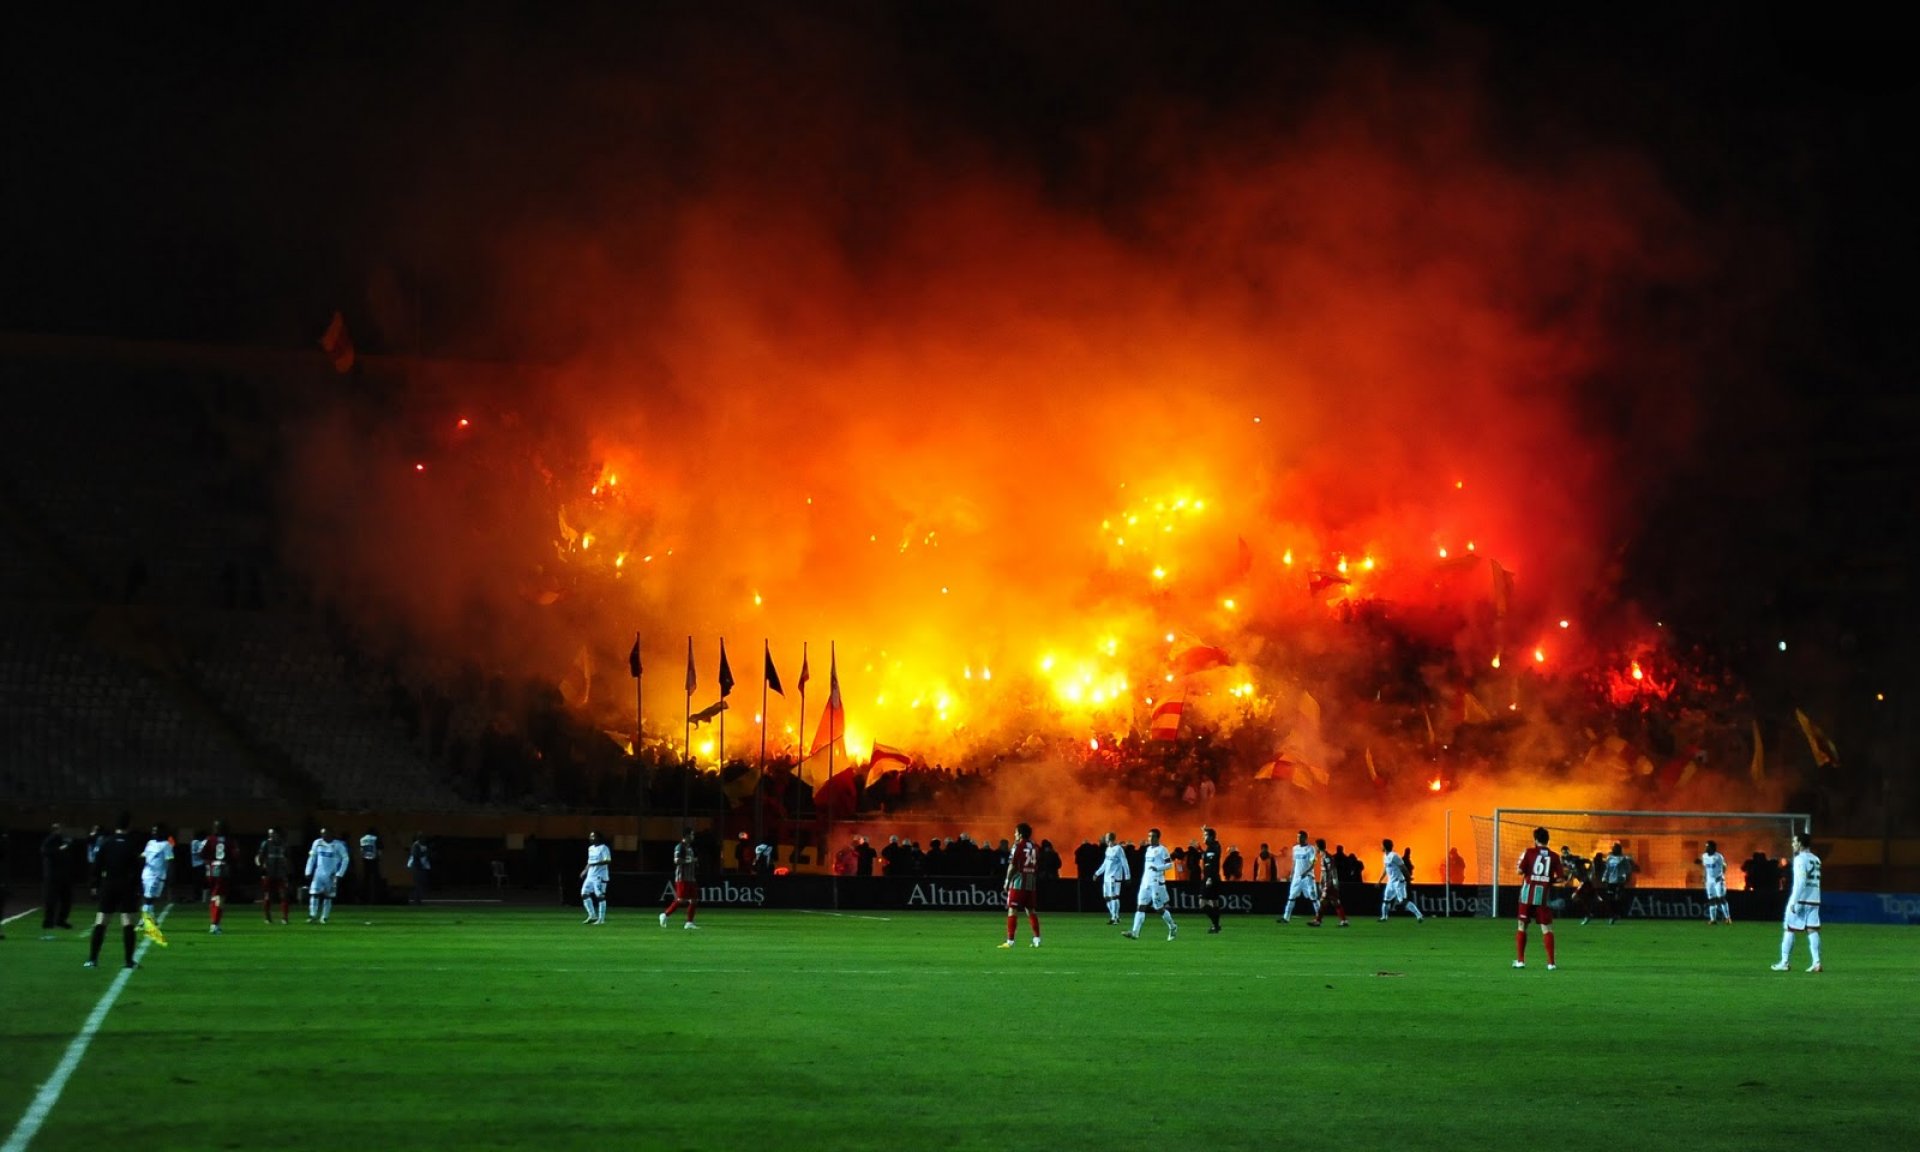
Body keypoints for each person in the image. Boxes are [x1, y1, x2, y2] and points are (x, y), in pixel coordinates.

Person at [85, 813, 142, 970]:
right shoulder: (132, 844)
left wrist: (94, 885)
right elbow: (137, 869)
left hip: (108, 885)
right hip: (126, 887)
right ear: (129, 825)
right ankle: (129, 961)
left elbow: (96, 866)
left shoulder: (106, 843)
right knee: (128, 923)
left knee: (101, 921)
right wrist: (137, 888)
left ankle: (92, 959)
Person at [1512, 827, 1562, 970]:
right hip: (1542, 897)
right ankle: (1551, 963)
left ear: (1535, 840)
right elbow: (1560, 878)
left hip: (1527, 895)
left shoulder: (1529, 852)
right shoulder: (1554, 856)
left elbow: (1519, 871)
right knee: (1547, 928)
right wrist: (1547, 880)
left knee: (1522, 926)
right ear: (1548, 840)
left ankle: (1521, 961)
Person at [1772, 832, 1823, 973]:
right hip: (1814, 898)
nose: (1792, 844)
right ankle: (1816, 962)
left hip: (1801, 899)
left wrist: (1794, 901)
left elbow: (1801, 881)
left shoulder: (1800, 859)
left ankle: (1784, 962)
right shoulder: (1817, 859)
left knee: (1789, 929)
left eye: (1794, 842)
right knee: (1812, 930)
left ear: (1800, 843)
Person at [1124, 828, 1178, 941]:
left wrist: (1157, 868)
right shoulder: (1148, 849)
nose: (1150, 838)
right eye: (1149, 836)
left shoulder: (1162, 850)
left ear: (1158, 838)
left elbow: (1170, 865)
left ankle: (1172, 926)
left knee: (1159, 909)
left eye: (1152, 836)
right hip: (1145, 882)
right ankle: (1135, 932)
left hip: (1156, 882)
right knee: (1140, 907)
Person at [999, 821, 1043, 948]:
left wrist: (1007, 880)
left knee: (1012, 909)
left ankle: (1010, 941)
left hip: (1019, 880)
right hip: (1031, 881)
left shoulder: (1017, 846)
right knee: (1030, 909)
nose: (1014, 834)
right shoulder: (1035, 846)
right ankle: (1037, 939)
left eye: (1016, 832)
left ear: (1020, 834)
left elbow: (1012, 865)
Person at [306, 826, 349, 924]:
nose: (323, 836)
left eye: (325, 833)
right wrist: (308, 871)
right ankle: (312, 915)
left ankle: (324, 917)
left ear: (331, 834)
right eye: (322, 834)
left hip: (331, 874)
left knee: (328, 896)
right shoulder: (317, 843)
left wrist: (340, 873)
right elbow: (312, 857)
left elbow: (346, 859)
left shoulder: (338, 845)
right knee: (314, 894)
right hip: (318, 873)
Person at [138, 825, 173, 946]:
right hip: (147, 874)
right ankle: (145, 921)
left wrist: (169, 875)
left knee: (151, 899)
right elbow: (144, 855)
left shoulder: (166, 845)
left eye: (156, 831)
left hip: (158, 875)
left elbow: (169, 860)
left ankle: (146, 919)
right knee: (148, 898)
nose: (153, 833)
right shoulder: (150, 843)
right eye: (152, 831)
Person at [661, 826, 701, 929]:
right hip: (682, 878)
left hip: (691, 878)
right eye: (692, 834)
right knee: (681, 900)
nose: (693, 836)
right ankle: (665, 914)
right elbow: (676, 860)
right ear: (687, 835)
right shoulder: (680, 847)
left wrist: (695, 863)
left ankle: (689, 923)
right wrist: (690, 861)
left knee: (694, 900)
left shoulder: (690, 848)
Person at [1279, 830, 1320, 925]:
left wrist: (1307, 872)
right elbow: (1294, 862)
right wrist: (1292, 874)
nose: (1298, 839)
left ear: (1305, 838)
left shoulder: (1311, 849)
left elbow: (1314, 862)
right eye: (1297, 837)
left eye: (1300, 837)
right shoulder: (1295, 848)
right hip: (1297, 878)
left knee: (1313, 897)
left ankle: (1319, 918)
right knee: (1291, 897)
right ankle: (1286, 918)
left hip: (1308, 878)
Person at [1378, 839, 1425, 922]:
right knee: (1386, 900)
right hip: (1390, 882)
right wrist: (1379, 881)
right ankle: (1384, 917)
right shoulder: (1385, 856)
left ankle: (1419, 915)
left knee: (1403, 901)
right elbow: (1385, 869)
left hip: (1398, 882)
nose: (1380, 846)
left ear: (1384, 846)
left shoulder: (1394, 856)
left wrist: (1408, 877)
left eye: (1381, 845)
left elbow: (1403, 868)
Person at [41, 822, 75, 931]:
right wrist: (61, 849)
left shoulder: (62, 840)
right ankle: (49, 921)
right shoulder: (51, 840)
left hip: (62, 875)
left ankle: (60, 920)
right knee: (52, 900)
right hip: (53, 875)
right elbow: (45, 851)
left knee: (66, 899)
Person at [1093, 832, 1131, 925]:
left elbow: (1124, 863)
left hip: (1115, 877)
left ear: (1111, 839)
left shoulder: (1118, 849)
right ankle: (1115, 916)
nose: (1105, 840)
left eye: (1107, 838)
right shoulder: (1108, 849)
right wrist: (1097, 873)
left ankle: (1114, 918)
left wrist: (1127, 876)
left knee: (1114, 897)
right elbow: (1105, 863)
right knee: (1106, 897)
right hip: (1106, 877)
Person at [256, 828, 293, 923]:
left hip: (281, 874)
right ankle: (267, 917)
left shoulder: (284, 844)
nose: (271, 836)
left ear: (278, 834)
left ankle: (285, 917)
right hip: (269, 874)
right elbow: (259, 857)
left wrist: (288, 870)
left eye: (273, 834)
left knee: (284, 895)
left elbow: (288, 858)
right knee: (268, 895)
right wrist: (262, 868)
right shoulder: (266, 844)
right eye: (270, 834)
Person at [201, 819, 231, 934]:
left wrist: (208, 863)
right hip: (222, 869)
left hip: (211, 869)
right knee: (220, 898)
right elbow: (235, 855)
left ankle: (213, 923)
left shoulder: (209, 839)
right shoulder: (229, 840)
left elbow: (201, 853)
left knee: (213, 896)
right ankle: (215, 924)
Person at [1312, 838, 1349, 927]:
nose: (1314, 848)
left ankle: (1318, 921)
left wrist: (1332, 883)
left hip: (1329, 884)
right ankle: (1344, 921)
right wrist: (1321, 882)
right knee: (1335, 902)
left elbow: (1332, 870)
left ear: (1318, 847)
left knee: (1323, 902)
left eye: (1315, 846)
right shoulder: (1323, 857)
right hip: (1328, 883)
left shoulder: (1327, 857)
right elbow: (1325, 872)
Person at [1195, 826, 1225, 933]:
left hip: (1210, 878)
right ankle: (1215, 926)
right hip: (1213, 878)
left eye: (1205, 835)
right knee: (1214, 902)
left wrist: (1210, 878)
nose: (1203, 837)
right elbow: (1207, 857)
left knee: (1202, 904)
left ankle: (1215, 924)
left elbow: (1212, 864)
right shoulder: (1210, 848)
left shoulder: (1214, 847)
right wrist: (1200, 850)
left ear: (1211, 837)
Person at [1598, 842, 1634, 924]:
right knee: (1610, 899)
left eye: (1615, 848)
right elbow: (1607, 869)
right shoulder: (1609, 858)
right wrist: (1604, 877)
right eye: (1613, 848)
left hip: (1619, 881)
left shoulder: (1623, 859)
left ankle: (1616, 914)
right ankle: (1613, 914)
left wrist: (1626, 877)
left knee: (1617, 898)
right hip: (1611, 881)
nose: (1613, 849)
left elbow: (1628, 869)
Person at [580, 831, 612, 925]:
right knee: (584, 893)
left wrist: (596, 864)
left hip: (600, 876)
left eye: (593, 836)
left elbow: (608, 860)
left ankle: (601, 919)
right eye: (590, 836)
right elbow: (590, 861)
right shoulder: (590, 848)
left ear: (598, 837)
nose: (591, 838)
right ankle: (592, 915)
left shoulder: (604, 848)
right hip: (590, 875)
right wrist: (585, 870)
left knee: (600, 896)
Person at [1700, 840, 1732, 924]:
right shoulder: (1704, 856)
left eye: (1708, 846)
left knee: (1721, 898)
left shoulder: (1718, 856)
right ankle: (1713, 919)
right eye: (1706, 846)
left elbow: (1724, 866)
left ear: (1712, 847)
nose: (1706, 848)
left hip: (1718, 880)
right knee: (1711, 899)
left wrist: (1722, 876)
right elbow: (1705, 868)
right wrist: (1704, 877)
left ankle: (1727, 918)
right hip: (1709, 881)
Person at [358, 827, 384, 904]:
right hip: (374, 860)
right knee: (375, 879)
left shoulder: (362, 839)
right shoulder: (376, 838)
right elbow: (379, 851)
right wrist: (380, 858)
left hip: (365, 860)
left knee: (365, 879)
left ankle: (364, 897)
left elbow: (361, 851)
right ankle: (375, 898)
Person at [405, 832, 432, 904]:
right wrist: (425, 853)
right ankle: (417, 900)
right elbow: (416, 856)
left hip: (422, 867)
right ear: (419, 838)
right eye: (423, 838)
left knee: (421, 884)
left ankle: (418, 899)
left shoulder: (424, 845)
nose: (424, 839)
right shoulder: (416, 845)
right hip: (417, 867)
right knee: (418, 884)